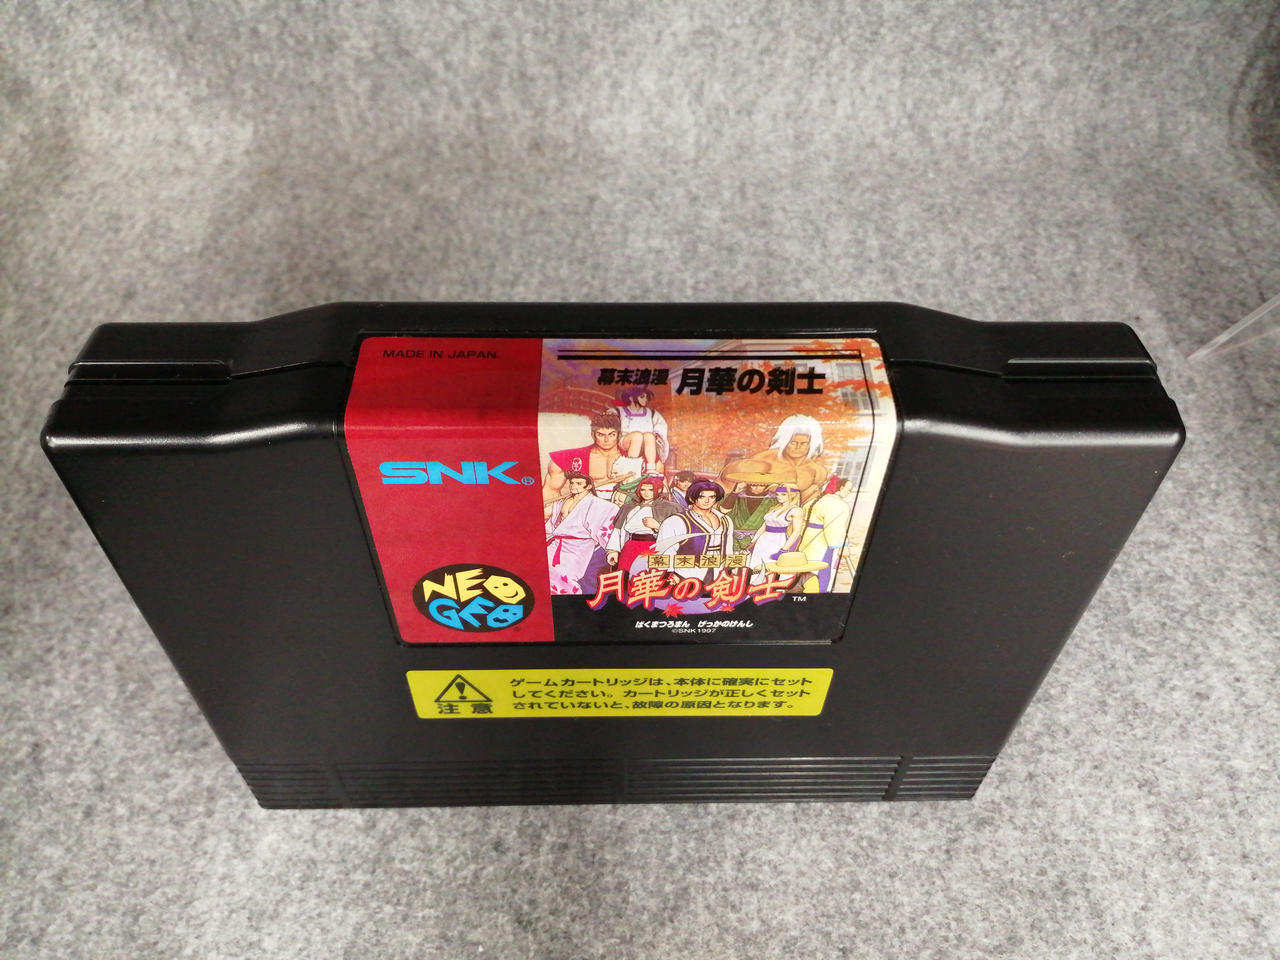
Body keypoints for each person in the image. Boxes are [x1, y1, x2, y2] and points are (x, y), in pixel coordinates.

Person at [545, 472, 618, 595]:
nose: (573, 486)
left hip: (578, 547)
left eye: (579, 483)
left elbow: (610, 514)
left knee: (566, 576)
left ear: (588, 486)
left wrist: (612, 550)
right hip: (557, 543)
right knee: (547, 570)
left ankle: (573, 601)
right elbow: (550, 518)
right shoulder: (563, 501)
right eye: (572, 483)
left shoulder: (596, 504)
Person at [543, 410, 638, 502]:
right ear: (593, 435)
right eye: (601, 435)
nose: (606, 440)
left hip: (622, 507)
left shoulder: (631, 458)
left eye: (611, 435)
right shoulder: (571, 457)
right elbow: (550, 492)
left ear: (619, 435)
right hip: (588, 507)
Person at [655, 479, 736, 584]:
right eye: (702, 497)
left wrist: (730, 570)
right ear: (691, 498)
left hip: (718, 574)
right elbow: (664, 552)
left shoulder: (725, 520)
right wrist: (668, 575)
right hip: (686, 574)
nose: (707, 501)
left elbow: (728, 548)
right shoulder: (676, 521)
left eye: (712, 497)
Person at [606, 476, 680, 577]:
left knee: (651, 578)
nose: (646, 493)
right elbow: (618, 530)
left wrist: (658, 526)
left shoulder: (670, 507)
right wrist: (613, 550)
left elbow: (677, 533)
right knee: (627, 576)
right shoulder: (629, 506)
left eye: (650, 490)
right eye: (643, 489)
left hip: (654, 547)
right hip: (630, 547)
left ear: (659, 490)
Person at [748, 414, 830, 504]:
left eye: (804, 443)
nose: (798, 447)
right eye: (793, 443)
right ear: (785, 441)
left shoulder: (817, 471)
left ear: (811, 444)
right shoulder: (763, 459)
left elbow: (808, 502)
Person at [799, 477, 856, 592]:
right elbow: (835, 529)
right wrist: (843, 546)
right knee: (821, 573)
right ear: (841, 488)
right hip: (823, 545)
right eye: (848, 489)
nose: (849, 492)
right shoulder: (838, 505)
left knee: (806, 571)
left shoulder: (815, 501)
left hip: (807, 541)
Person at [747, 484, 805, 582]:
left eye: (783, 494)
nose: (779, 497)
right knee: (757, 565)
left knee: (771, 568)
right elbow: (763, 527)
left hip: (778, 541)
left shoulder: (796, 510)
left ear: (792, 495)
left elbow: (796, 531)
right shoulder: (774, 508)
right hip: (763, 541)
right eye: (777, 494)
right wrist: (752, 543)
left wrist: (783, 550)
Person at [616, 386, 669, 475]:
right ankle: (631, 468)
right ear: (631, 398)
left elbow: (661, 425)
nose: (645, 399)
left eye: (646, 397)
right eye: (642, 397)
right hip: (626, 441)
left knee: (649, 436)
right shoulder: (619, 411)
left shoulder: (651, 413)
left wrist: (656, 434)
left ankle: (651, 468)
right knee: (637, 436)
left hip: (646, 443)